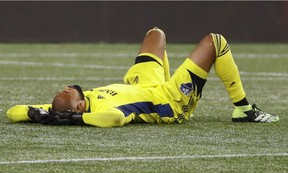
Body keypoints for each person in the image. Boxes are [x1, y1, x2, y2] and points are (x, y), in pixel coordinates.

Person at [6, 27, 279, 127]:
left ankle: (171, 74)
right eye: (66, 93)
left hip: (142, 84)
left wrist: (47, 114)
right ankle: (244, 109)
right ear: (79, 106)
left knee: (155, 34)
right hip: (167, 99)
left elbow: (13, 112)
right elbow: (113, 119)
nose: (65, 88)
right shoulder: (101, 111)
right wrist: (76, 120)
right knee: (215, 41)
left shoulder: (60, 110)